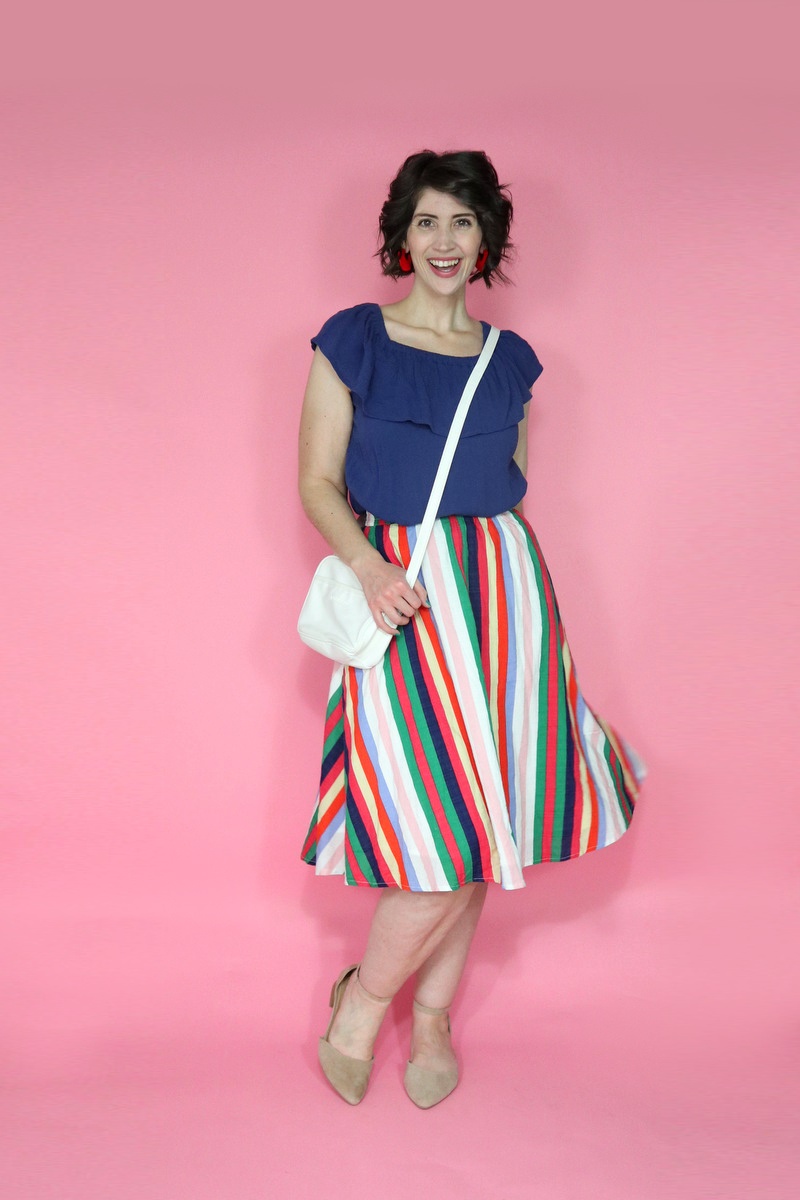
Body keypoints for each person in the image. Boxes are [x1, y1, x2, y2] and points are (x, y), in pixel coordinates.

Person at [297, 150, 645, 1108]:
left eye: (462, 222)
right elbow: (316, 482)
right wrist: (371, 568)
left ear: (486, 237)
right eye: (427, 223)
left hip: (505, 599)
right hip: (400, 595)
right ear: (402, 239)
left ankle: (434, 1017)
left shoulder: (512, 361)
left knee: (492, 817)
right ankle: (363, 1005)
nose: (445, 241)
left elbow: (508, 491)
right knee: (442, 823)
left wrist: (502, 593)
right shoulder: (353, 340)